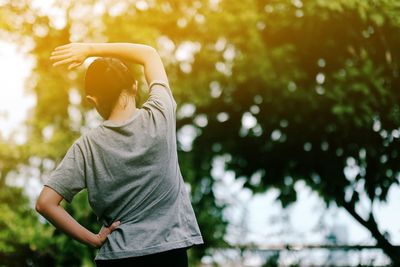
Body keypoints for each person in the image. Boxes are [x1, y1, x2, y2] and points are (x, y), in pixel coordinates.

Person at [35, 42, 204, 267]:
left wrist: (94, 239)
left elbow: (45, 204)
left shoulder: (87, 147)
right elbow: (149, 54)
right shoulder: (160, 115)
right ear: (134, 86)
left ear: (92, 101)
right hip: (168, 252)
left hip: (117, 257)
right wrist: (89, 49)